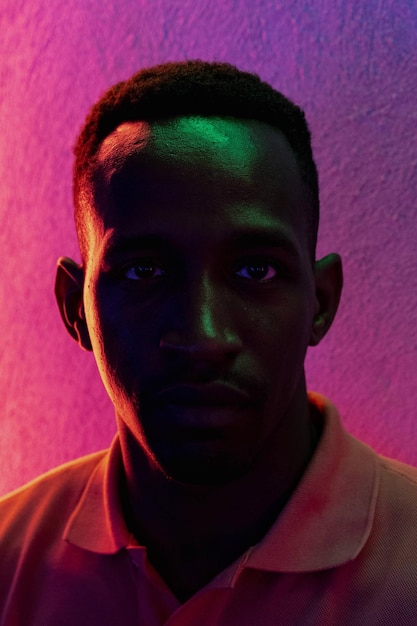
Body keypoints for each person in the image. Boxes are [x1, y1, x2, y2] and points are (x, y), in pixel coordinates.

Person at [0, 60, 416, 625]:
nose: (202, 337)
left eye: (255, 272)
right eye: (145, 272)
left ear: (321, 302)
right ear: (76, 309)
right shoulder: (8, 560)